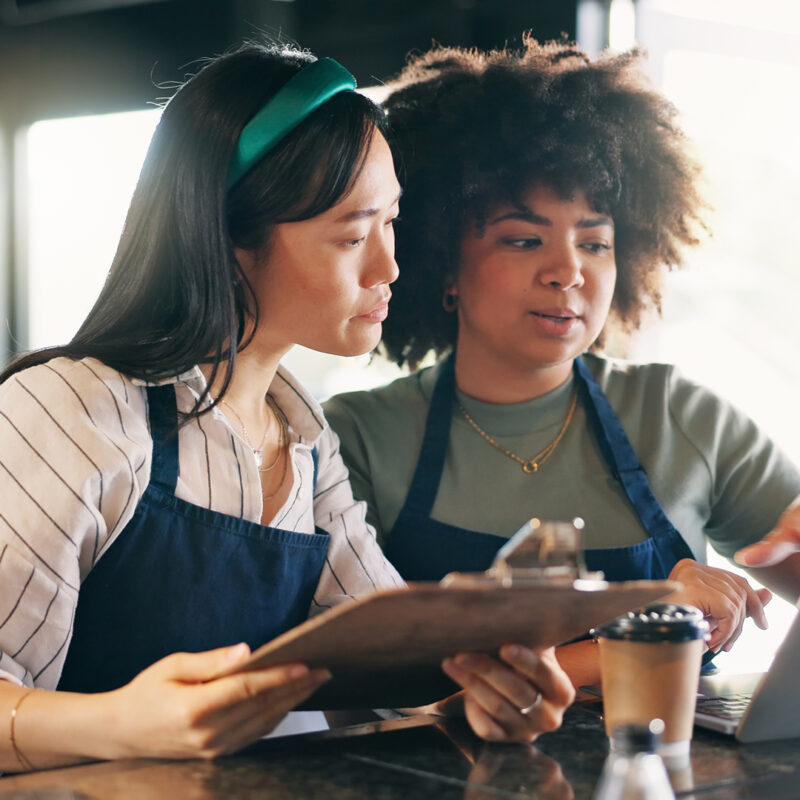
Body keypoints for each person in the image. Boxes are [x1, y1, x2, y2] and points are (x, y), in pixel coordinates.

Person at [0, 42, 576, 773]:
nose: (389, 266)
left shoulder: (302, 436)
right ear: (232, 238)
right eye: (353, 234)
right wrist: (118, 724)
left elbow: (396, 672)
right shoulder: (68, 412)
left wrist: (484, 695)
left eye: (391, 223)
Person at [324, 38, 800, 689]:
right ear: (442, 264)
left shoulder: (681, 417)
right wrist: (658, 620)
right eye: (524, 239)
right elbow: (362, 679)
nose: (569, 271)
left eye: (596, 242)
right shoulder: (353, 438)